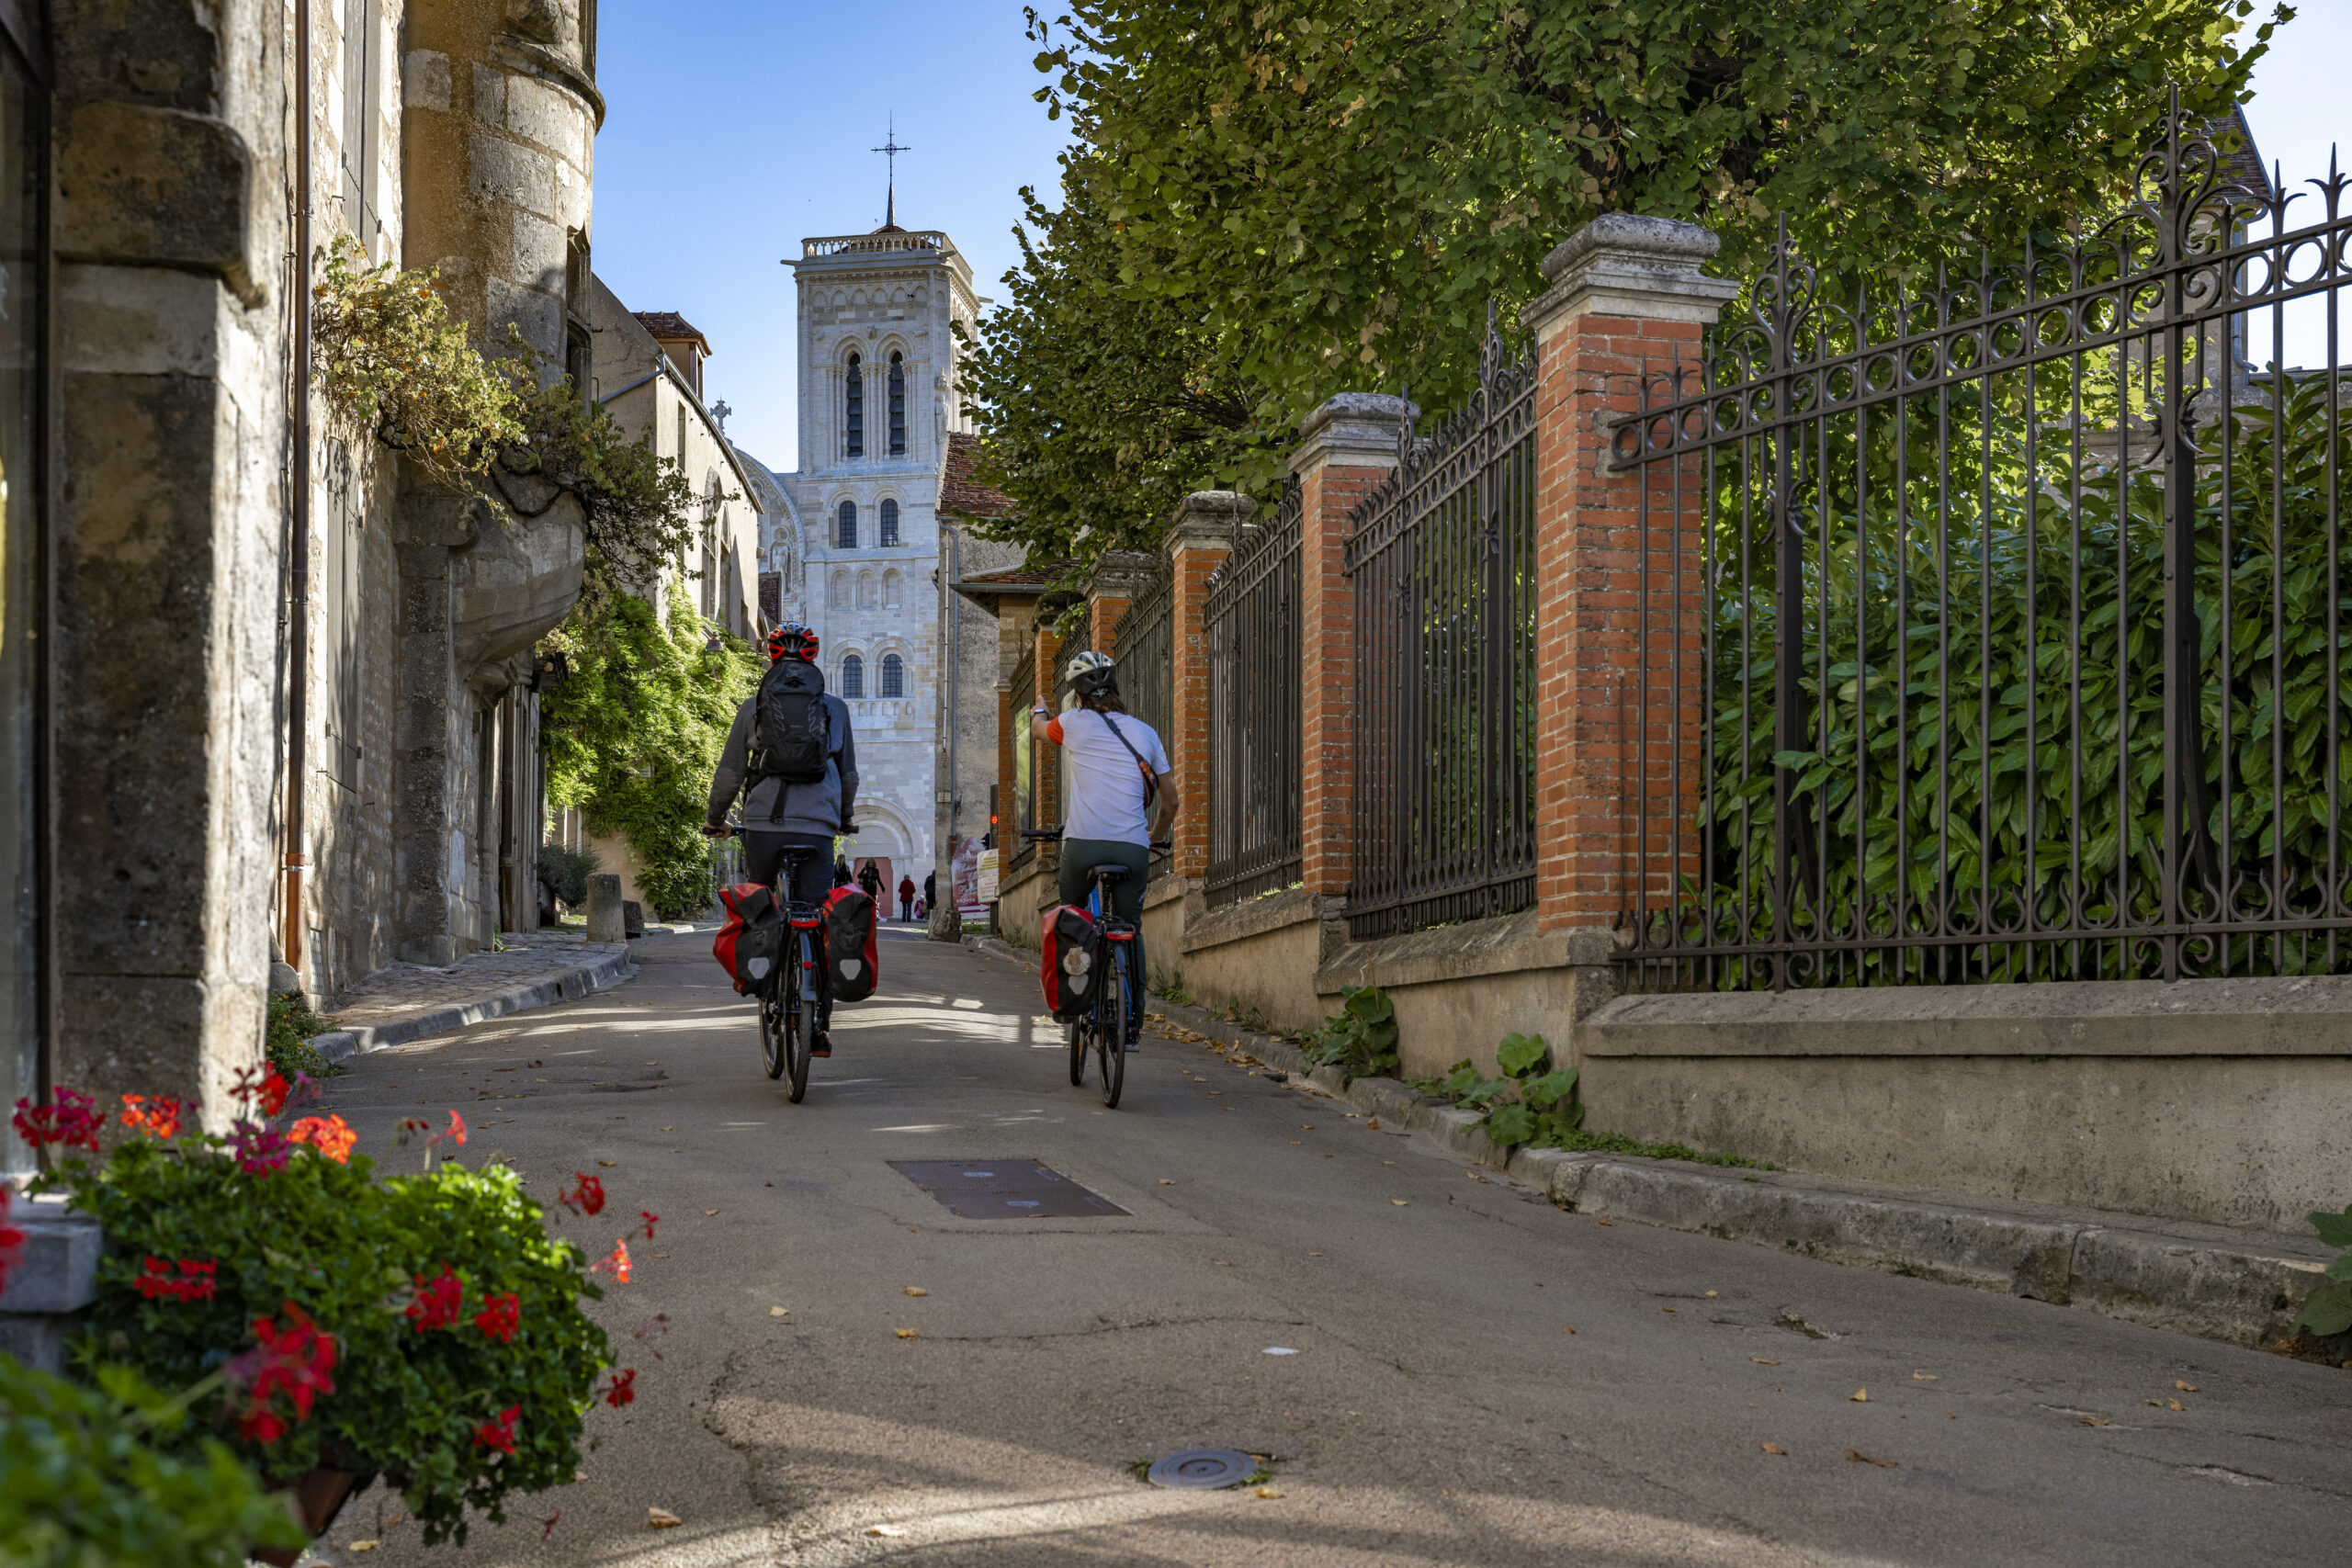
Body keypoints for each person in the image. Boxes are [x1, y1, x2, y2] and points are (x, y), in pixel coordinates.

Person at [706, 623, 857, 1058]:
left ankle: (765, 981)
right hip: (818, 827)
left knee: (761, 907)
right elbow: (848, 775)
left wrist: (716, 819)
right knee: (821, 918)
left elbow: (731, 773)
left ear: (772, 660)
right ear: (812, 661)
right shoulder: (835, 709)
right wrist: (842, 818)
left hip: (764, 826)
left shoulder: (753, 707)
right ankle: (820, 1024)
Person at [1029, 649, 1179, 1044]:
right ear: (1115, 687)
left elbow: (1039, 733)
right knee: (1131, 929)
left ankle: (1071, 997)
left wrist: (1038, 712)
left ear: (1078, 696)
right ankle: (1133, 1024)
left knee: (1073, 918)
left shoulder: (1074, 722)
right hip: (1132, 848)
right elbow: (1171, 803)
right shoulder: (1146, 733)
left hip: (1082, 848)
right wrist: (1156, 836)